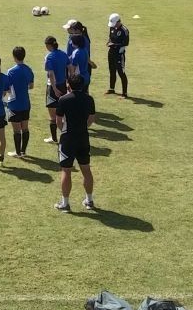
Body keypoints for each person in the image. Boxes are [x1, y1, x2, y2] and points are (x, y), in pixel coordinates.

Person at [54, 74, 97, 211]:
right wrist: (83, 127)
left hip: (68, 138)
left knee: (66, 171)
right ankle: (89, 200)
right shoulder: (89, 99)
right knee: (86, 169)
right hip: (83, 137)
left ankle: (65, 203)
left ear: (68, 85)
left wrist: (64, 130)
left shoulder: (63, 100)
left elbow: (58, 121)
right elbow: (91, 119)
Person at [5, 46, 36, 158]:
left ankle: (18, 152)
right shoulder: (28, 69)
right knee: (25, 128)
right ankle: (24, 151)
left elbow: (7, 88)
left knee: (16, 130)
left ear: (14, 56)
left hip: (14, 104)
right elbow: (31, 86)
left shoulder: (11, 71)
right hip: (25, 102)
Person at [43, 36, 69, 144]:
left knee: (53, 116)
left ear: (49, 45)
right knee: (63, 113)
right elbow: (69, 68)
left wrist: (54, 88)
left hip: (53, 88)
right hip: (63, 85)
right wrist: (68, 83)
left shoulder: (49, 57)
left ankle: (54, 138)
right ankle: (66, 134)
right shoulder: (63, 54)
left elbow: (51, 74)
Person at [105, 13, 130, 97]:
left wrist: (114, 44)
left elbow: (126, 43)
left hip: (119, 54)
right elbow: (111, 37)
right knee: (111, 70)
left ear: (118, 21)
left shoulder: (124, 30)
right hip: (111, 52)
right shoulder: (112, 27)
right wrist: (109, 42)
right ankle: (112, 89)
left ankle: (124, 93)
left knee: (121, 72)